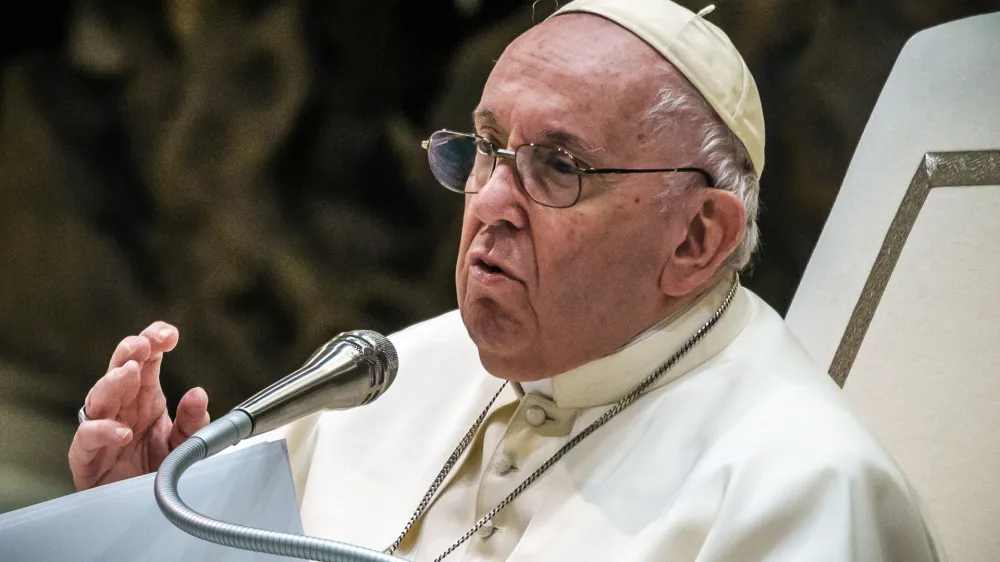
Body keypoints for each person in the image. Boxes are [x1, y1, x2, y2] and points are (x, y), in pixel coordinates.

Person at [68, 0, 942, 560]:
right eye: (484, 148)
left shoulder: (799, 492)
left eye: (557, 166)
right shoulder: (391, 376)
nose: (489, 201)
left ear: (698, 237)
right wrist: (146, 523)